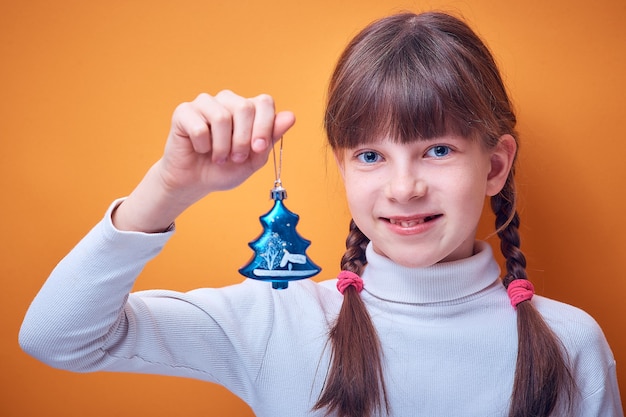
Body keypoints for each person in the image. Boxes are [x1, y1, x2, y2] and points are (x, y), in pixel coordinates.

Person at [19, 11, 622, 417]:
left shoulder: (569, 345)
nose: (404, 187)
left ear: (494, 166)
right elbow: (57, 338)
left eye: (437, 150)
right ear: (342, 167)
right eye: (370, 155)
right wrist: (169, 188)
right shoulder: (275, 322)